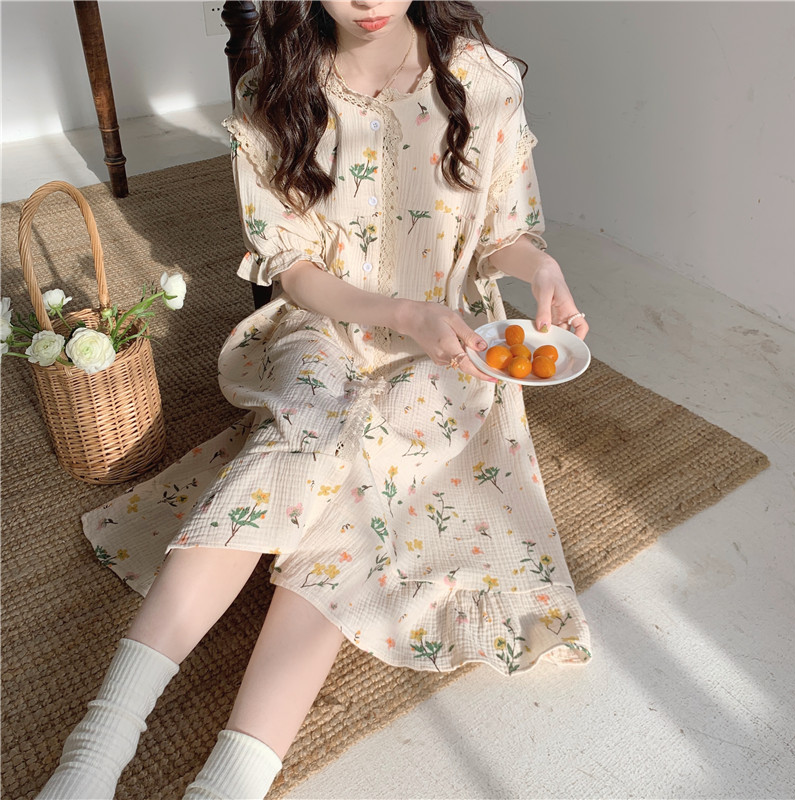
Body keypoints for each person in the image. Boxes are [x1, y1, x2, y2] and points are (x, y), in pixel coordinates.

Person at [37, 2, 592, 798]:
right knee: (304, 440)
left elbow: (506, 230)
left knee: (357, 495)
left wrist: (540, 269)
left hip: (451, 344)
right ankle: (97, 747)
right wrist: (398, 312)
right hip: (327, 327)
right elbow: (292, 270)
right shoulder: (274, 89)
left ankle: (225, 784)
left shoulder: (485, 79)